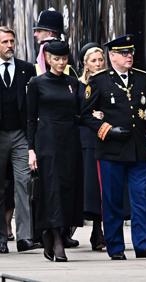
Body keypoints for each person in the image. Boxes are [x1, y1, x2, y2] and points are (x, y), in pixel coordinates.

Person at [81, 34, 146, 260]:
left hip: (138, 148)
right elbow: (85, 115)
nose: (129, 57)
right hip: (111, 150)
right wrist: (107, 129)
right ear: (112, 55)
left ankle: (144, 244)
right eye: (124, 53)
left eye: (131, 53)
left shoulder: (143, 79)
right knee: (112, 200)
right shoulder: (99, 81)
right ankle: (115, 246)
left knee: (141, 198)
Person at [27, 41, 83, 262]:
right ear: (48, 59)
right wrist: (31, 149)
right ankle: (57, 239)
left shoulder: (73, 83)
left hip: (70, 139)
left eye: (64, 59)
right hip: (47, 140)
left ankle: (55, 233)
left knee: (69, 186)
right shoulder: (37, 83)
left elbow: (81, 111)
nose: (60, 63)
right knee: (52, 188)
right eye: (56, 59)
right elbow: (30, 119)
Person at [0, 26, 39, 254]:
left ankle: (25, 237)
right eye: (4, 42)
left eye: (12, 41)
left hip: (20, 134)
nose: (9, 46)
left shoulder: (26, 69)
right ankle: (1, 237)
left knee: (23, 183)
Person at [78, 42, 106, 251]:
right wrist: (88, 115)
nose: (98, 63)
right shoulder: (78, 84)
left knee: (103, 185)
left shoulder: (108, 82)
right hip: (86, 139)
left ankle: (100, 229)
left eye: (100, 60)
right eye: (94, 61)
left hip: (105, 137)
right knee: (89, 186)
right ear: (86, 64)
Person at [32, 8, 77, 77]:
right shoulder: (65, 49)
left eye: (39, 31)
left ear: (50, 33)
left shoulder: (45, 48)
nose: (35, 34)